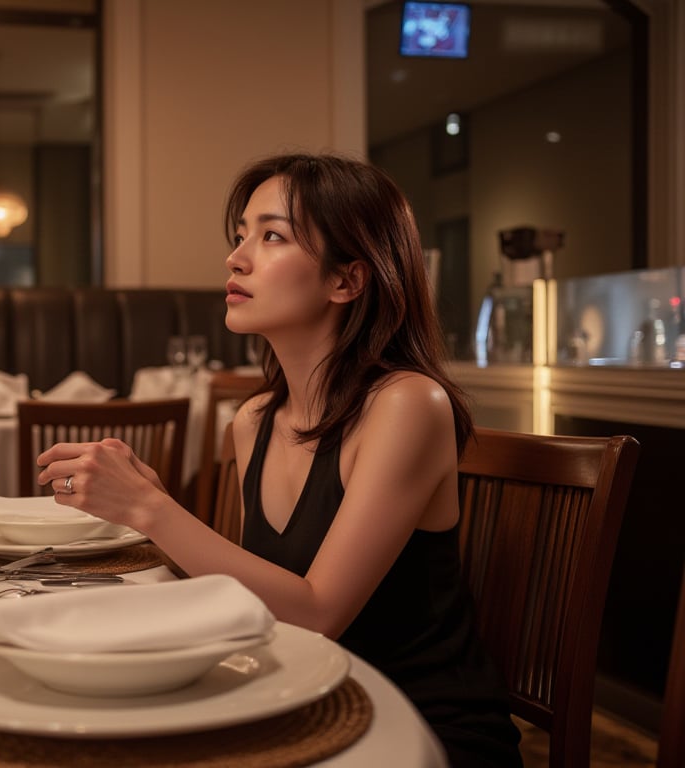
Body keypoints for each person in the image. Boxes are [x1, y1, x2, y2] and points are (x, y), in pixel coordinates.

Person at [36, 152, 523, 767]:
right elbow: (260, 601)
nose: (236, 258)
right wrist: (148, 512)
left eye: (272, 236)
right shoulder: (254, 420)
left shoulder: (407, 405)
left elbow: (317, 613)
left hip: (413, 726)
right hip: (302, 699)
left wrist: (153, 510)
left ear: (346, 281)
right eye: (241, 235)